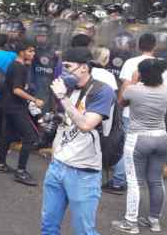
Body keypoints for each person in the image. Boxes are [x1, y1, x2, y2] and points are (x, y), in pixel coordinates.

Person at [41, 47, 115, 235]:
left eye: (67, 66)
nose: (63, 71)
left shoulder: (101, 91)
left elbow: (85, 125)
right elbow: (67, 121)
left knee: (84, 230)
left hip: (83, 172)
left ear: (84, 67)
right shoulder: (69, 87)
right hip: (57, 165)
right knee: (48, 226)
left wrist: (61, 97)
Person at [111, 59, 167, 234]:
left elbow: (121, 103)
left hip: (138, 139)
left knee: (135, 182)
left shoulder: (134, 90)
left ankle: (131, 222)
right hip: (162, 138)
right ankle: (154, 221)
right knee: (156, 180)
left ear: (142, 73)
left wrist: (131, 80)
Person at [105, 33, 167, 195]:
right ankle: (134, 180)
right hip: (156, 116)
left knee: (129, 148)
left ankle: (119, 181)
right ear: (154, 46)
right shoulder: (163, 65)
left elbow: (125, 87)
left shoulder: (131, 62)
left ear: (138, 46)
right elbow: (166, 89)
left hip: (131, 112)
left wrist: (121, 106)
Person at [0, 40, 43, 186]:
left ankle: (0, 164)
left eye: (33, 51)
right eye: (30, 51)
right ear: (21, 52)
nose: (33, 54)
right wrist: (34, 99)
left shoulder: (17, 65)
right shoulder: (19, 68)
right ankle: (21, 171)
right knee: (30, 137)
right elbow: (16, 90)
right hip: (16, 107)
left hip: (8, 106)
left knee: (8, 135)